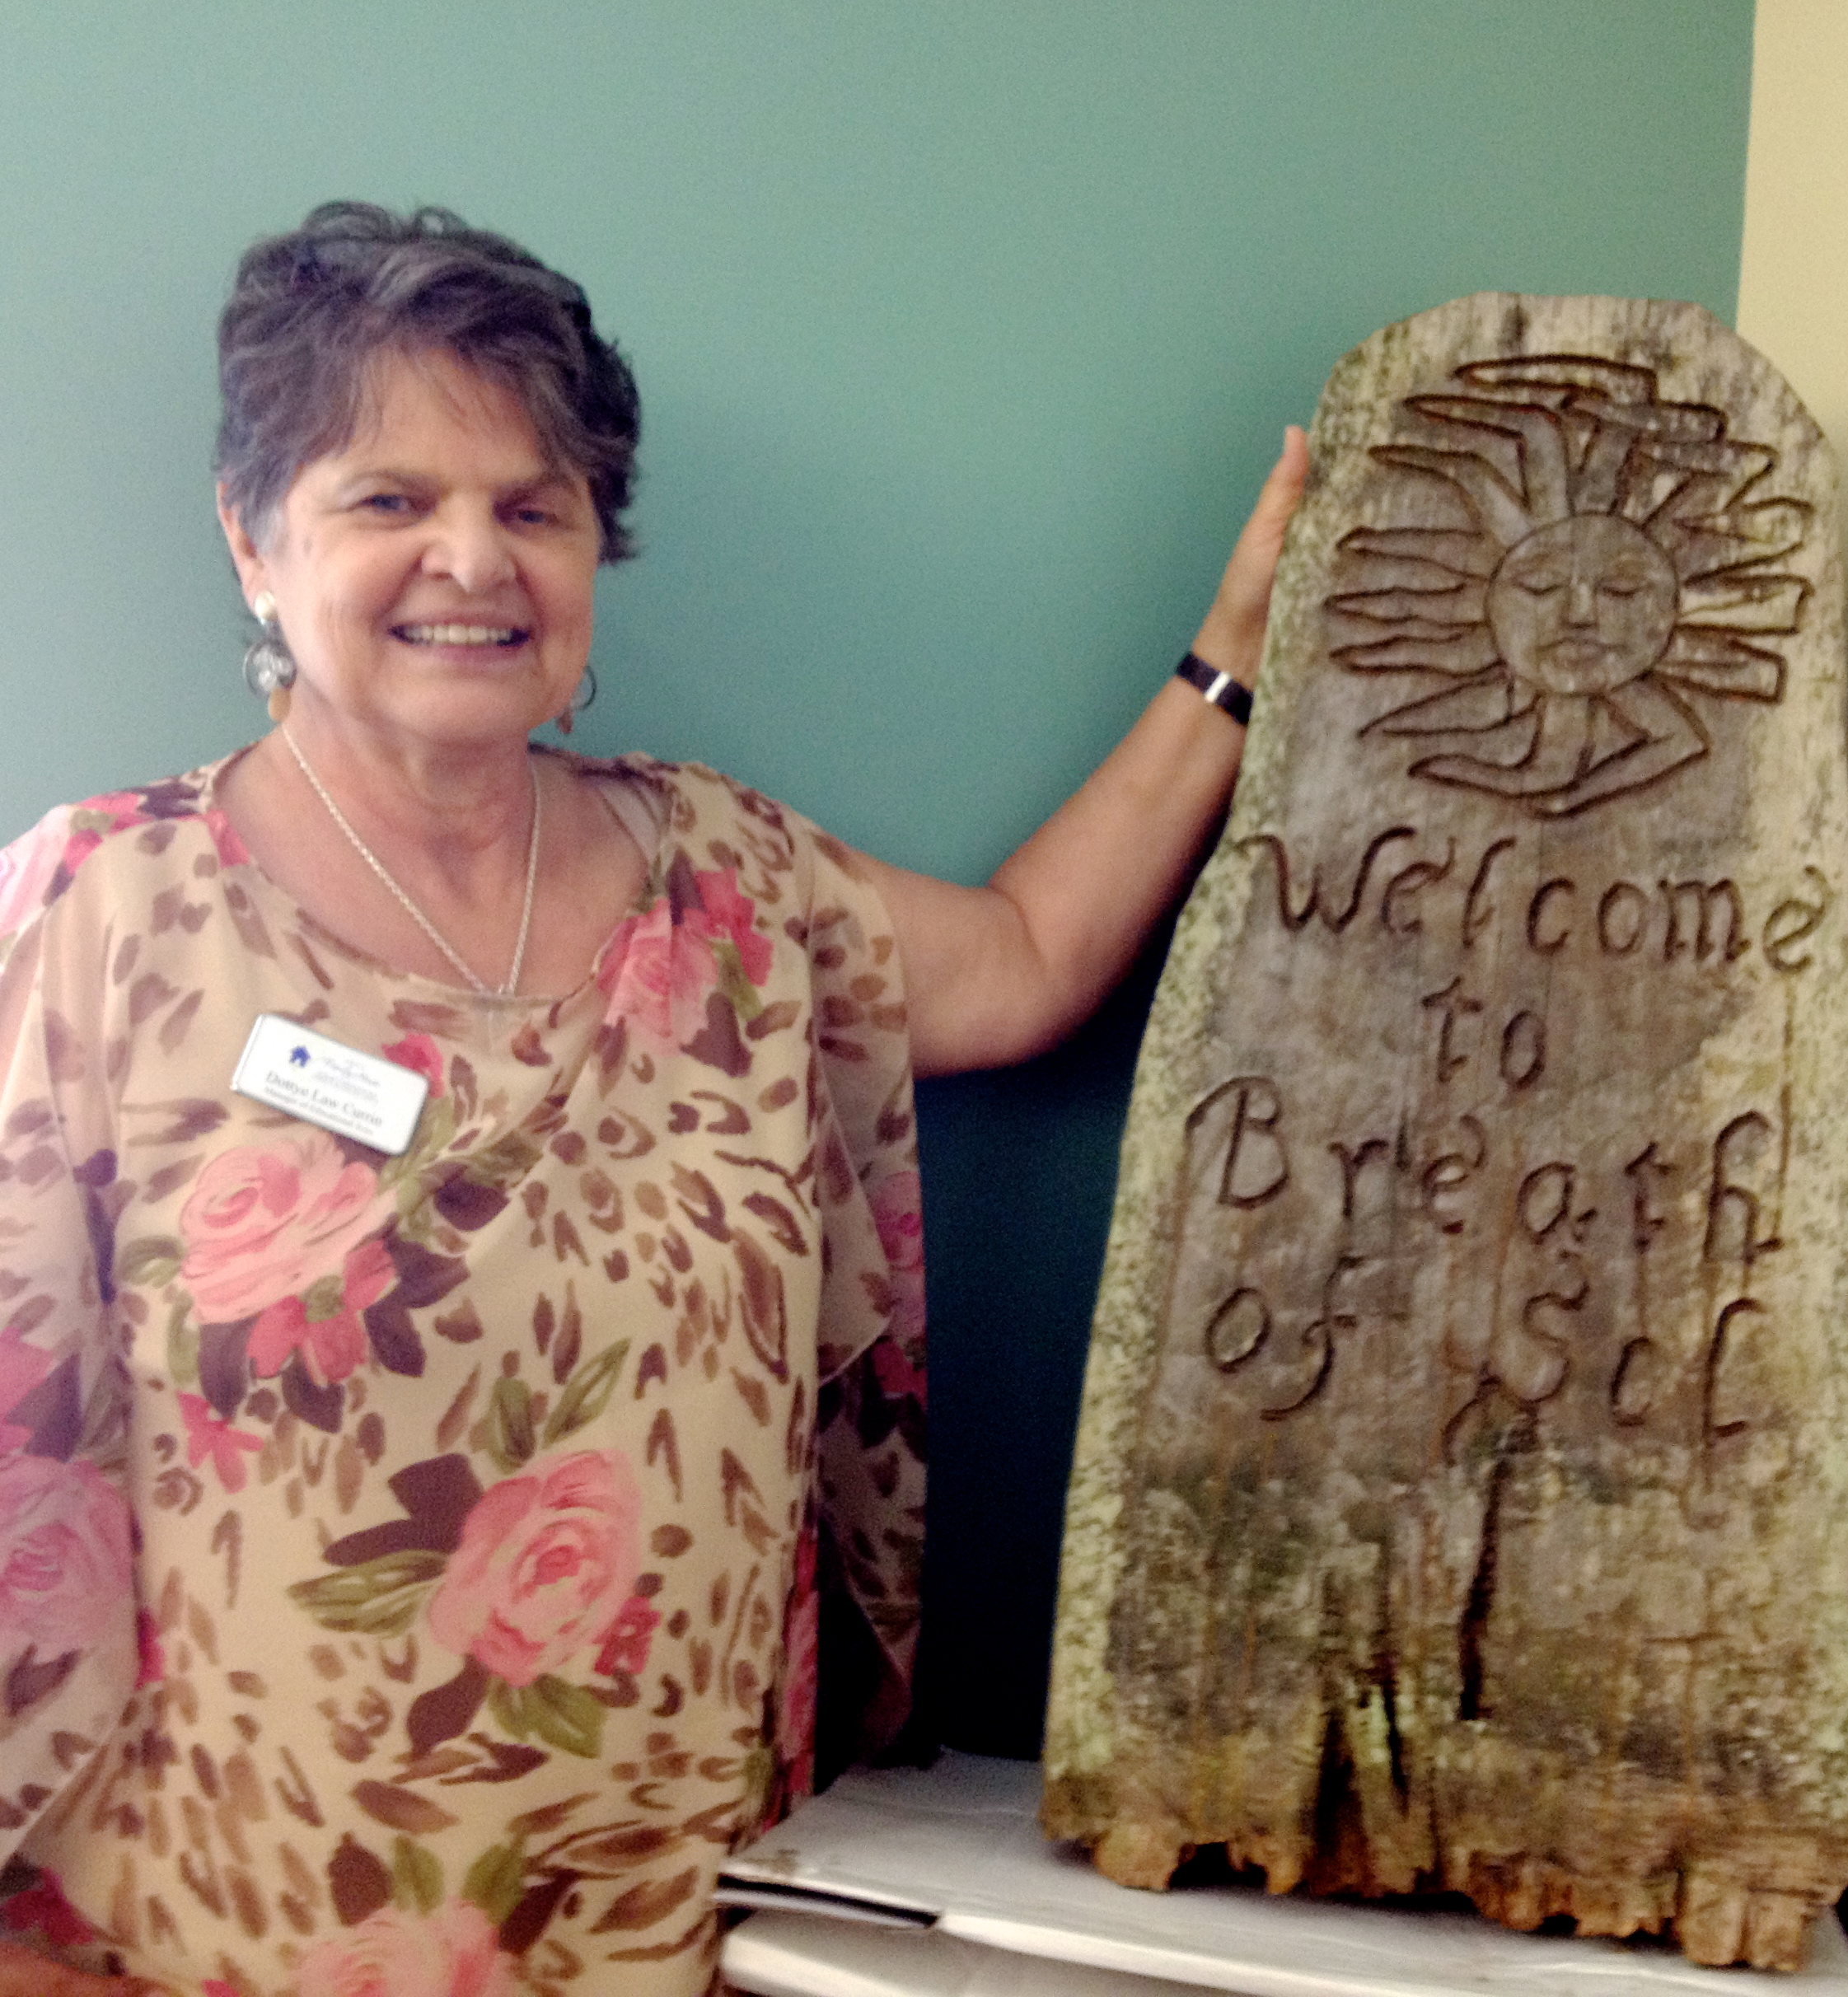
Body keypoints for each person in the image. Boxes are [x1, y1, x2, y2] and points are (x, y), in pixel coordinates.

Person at [0, 203, 1306, 1997]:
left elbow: (1025, 960)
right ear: (251, 537)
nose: (474, 557)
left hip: (680, 1940)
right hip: (214, 1951)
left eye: (534, 506)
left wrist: (1236, 651)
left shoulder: (733, 886)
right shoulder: (102, 913)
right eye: (390, 498)